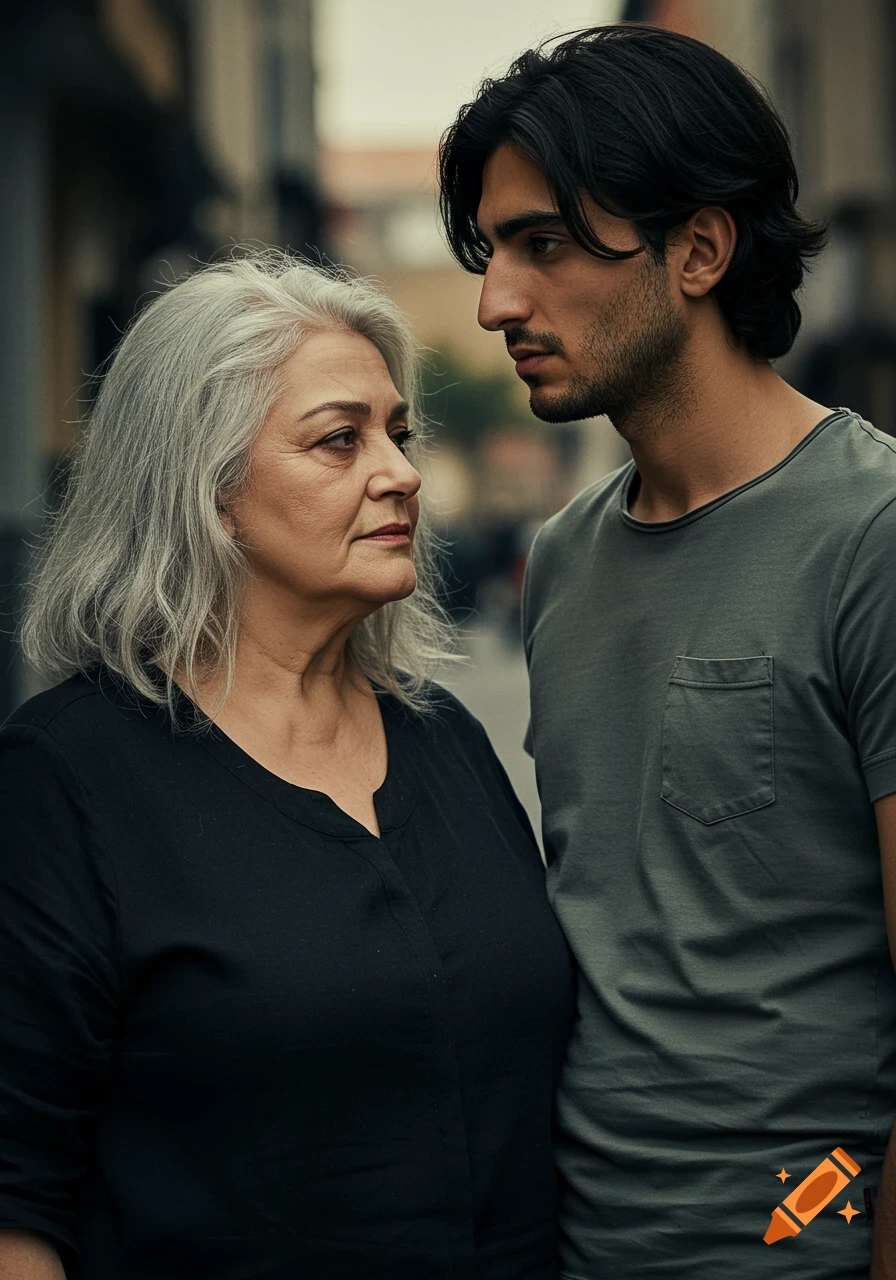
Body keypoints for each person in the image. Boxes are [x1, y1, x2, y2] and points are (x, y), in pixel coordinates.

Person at [0, 252, 576, 1280]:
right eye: (338, 440)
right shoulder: (66, 779)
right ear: (209, 490)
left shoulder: (445, 739)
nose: (398, 471)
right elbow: (16, 1196)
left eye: (396, 433)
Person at [439, 22, 896, 1280]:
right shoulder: (566, 556)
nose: (495, 304)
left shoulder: (871, 535)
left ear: (698, 249)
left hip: (794, 1241)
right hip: (570, 1233)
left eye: (542, 245)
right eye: (490, 254)